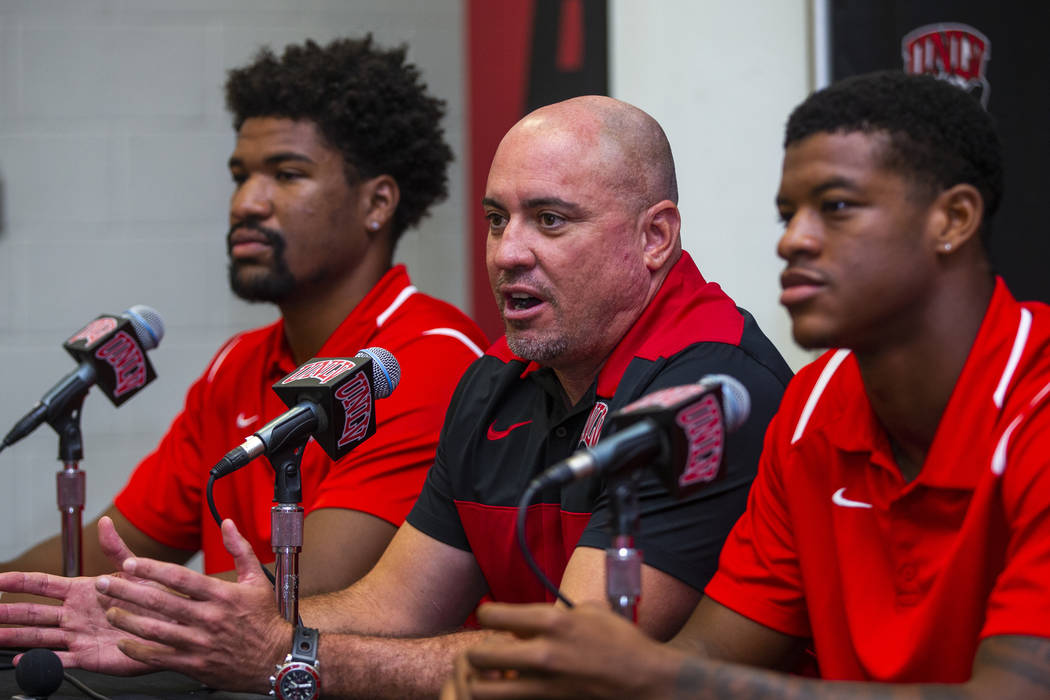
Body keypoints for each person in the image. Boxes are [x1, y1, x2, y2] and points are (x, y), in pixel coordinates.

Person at [0, 96, 791, 697]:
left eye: (550, 221)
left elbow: (573, 666)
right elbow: (396, 602)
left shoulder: (704, 388)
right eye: (495, 220)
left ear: (655, 238)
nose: (508, 254)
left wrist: (286, 653)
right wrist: (202, 625)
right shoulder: (494, 381)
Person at [443, 71, 1050, 698]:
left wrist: (650, 674)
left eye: (836, 208)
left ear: (953, 218)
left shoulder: (1038, 402)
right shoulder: (813, 407)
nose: (793, 240)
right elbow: (713, 653)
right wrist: (568, 668)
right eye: (789, 214)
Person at [0, 36, 487, 595]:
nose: (245, 204)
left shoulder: (428, 357)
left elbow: (302, 589)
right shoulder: (237, 365)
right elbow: (106, 552)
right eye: (240, 176)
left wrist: (101, 608)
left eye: (286, 174)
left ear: (376, 203)